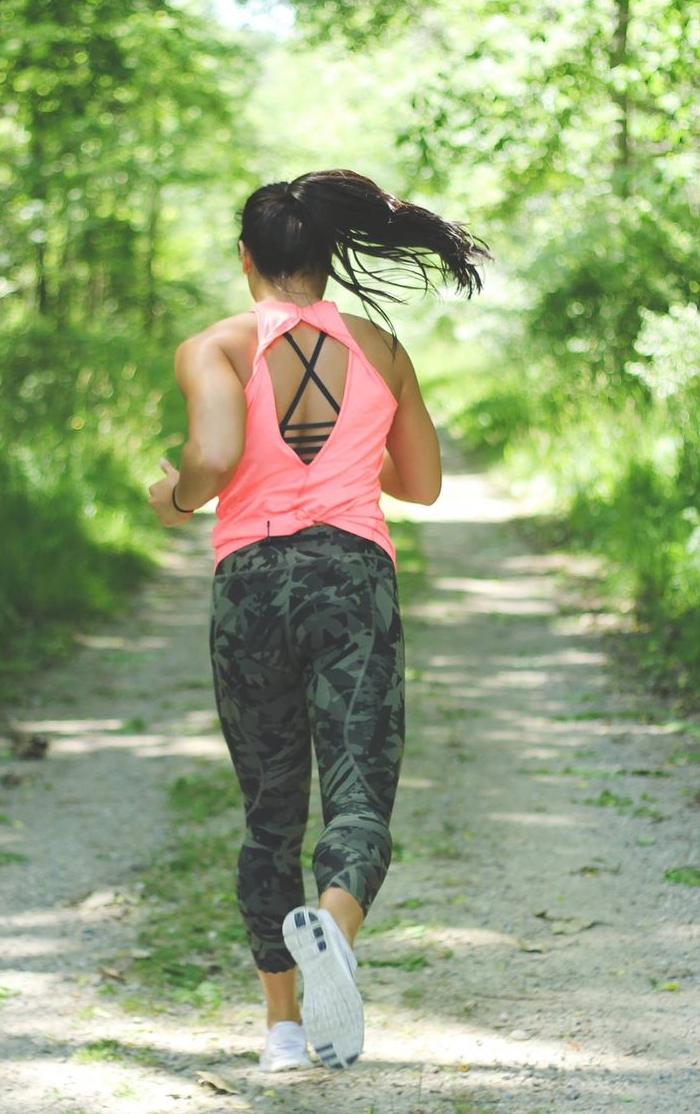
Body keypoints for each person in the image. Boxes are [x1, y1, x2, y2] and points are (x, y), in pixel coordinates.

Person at [148, 169, 489, 1074]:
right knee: (358, 794)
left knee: (269, 817)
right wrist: (350, 456)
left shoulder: (212, 347)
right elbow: (418, 485)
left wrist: (173, 497)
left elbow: (214, 456)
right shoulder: (380, 348)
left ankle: (283, 1034)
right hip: (351, 578)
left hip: (250, 583)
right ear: (328, 258)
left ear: (246, 259)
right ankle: (332, 929)